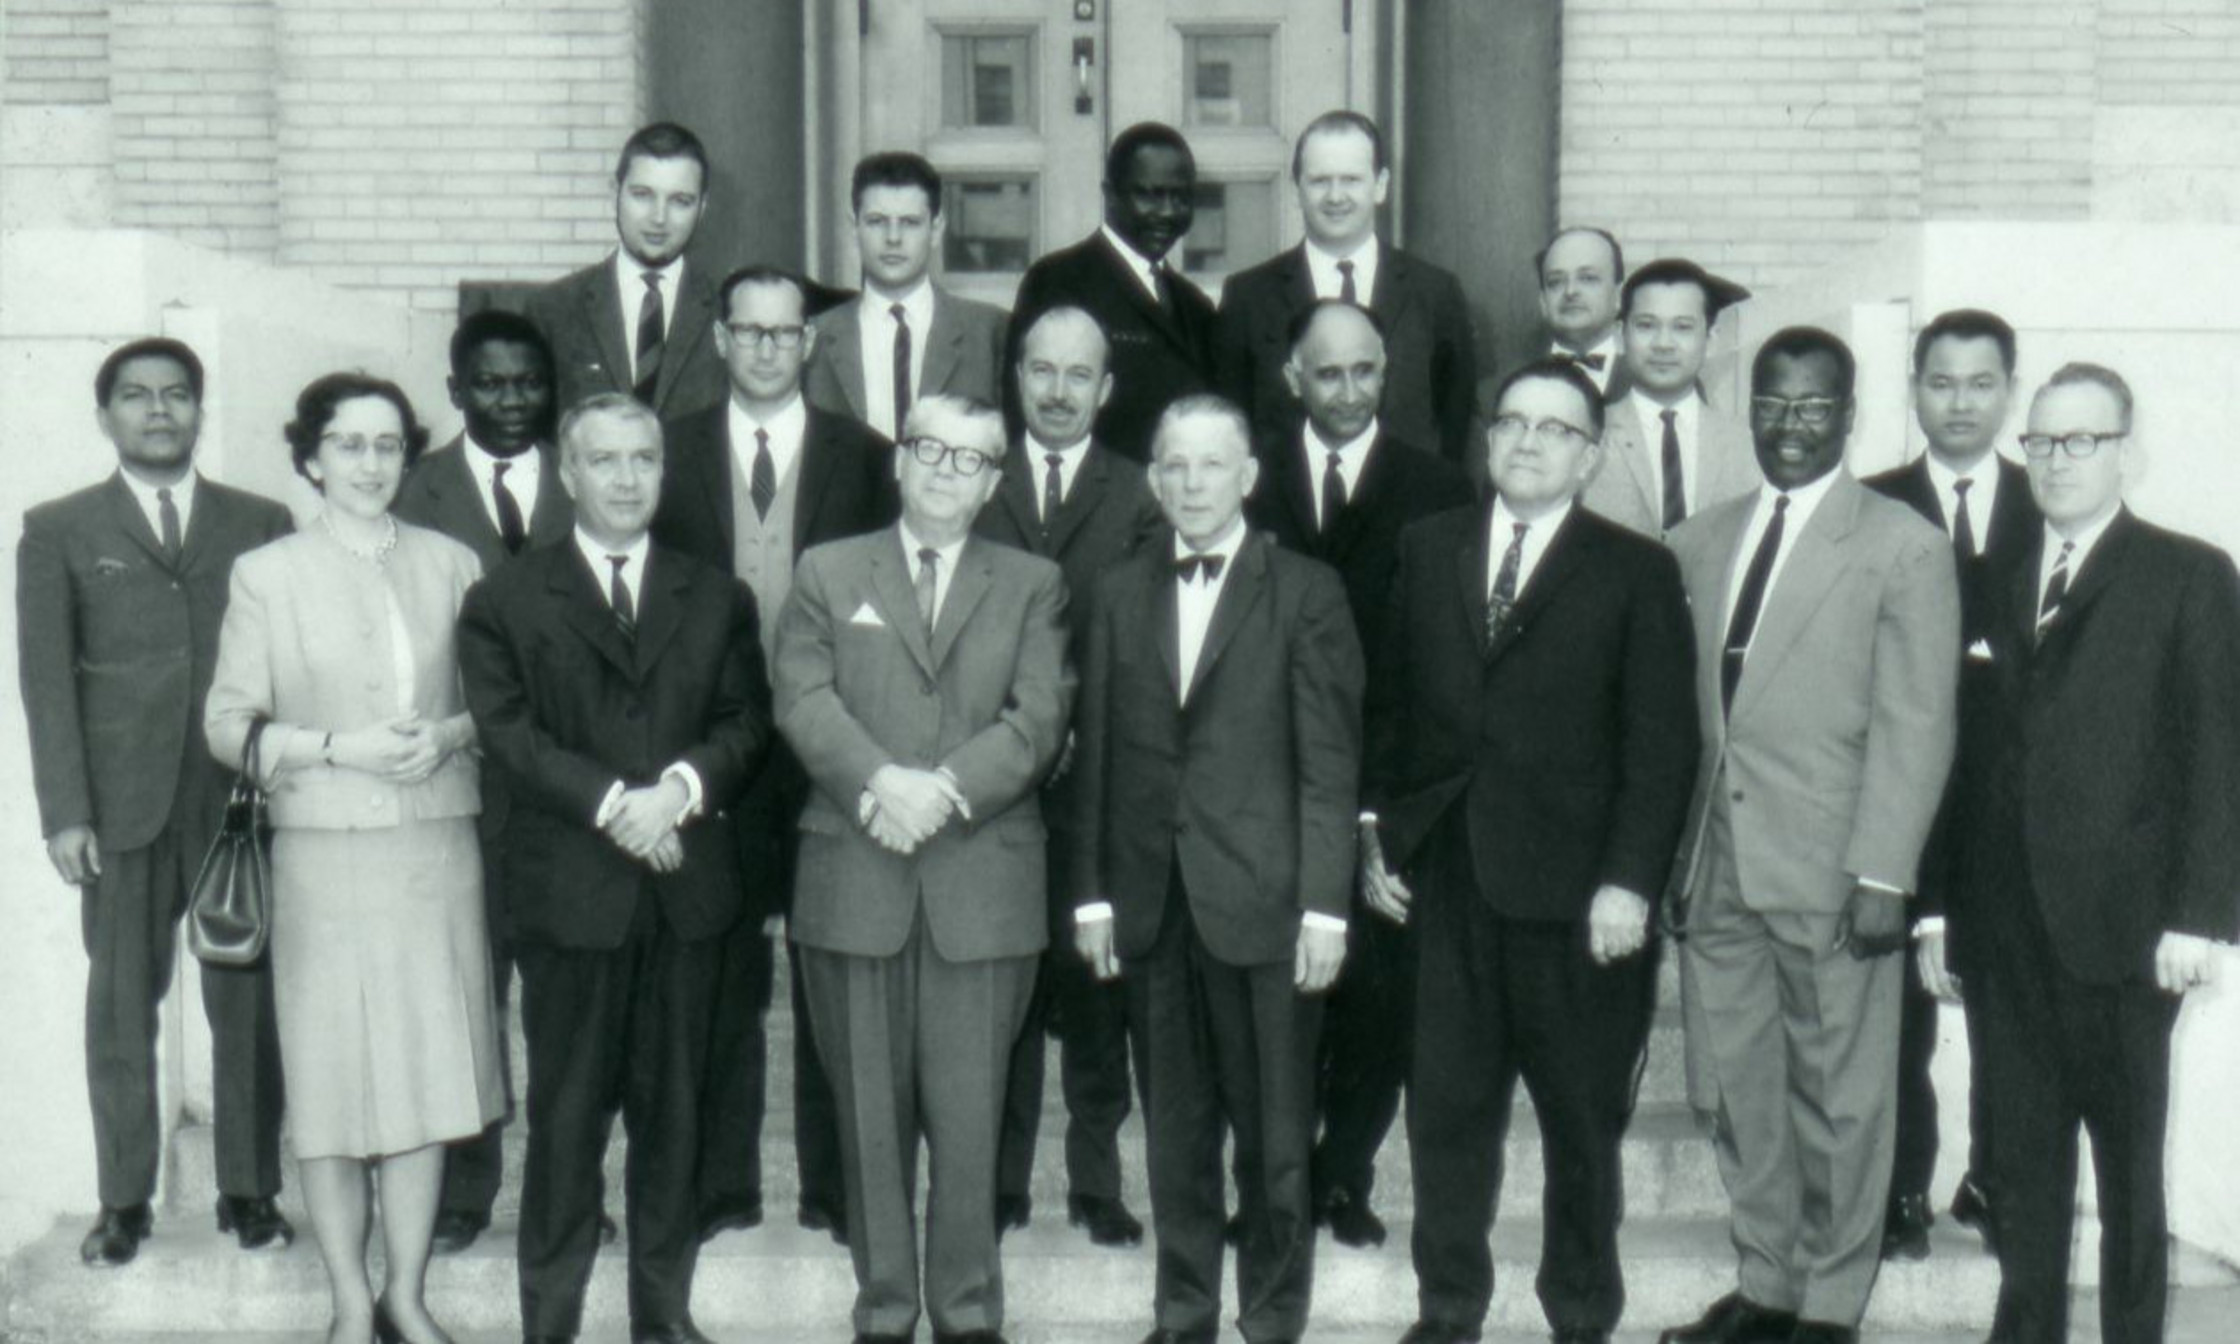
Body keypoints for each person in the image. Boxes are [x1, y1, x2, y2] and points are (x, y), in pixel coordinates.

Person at [1365, 358, 1698, 1344]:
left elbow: (1661, 744)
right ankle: (1446, 1312)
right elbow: (1388, 712)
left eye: (1555, 429)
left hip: (1579, 899)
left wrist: (1629, 882)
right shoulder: (1427, 547)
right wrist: (1376, 833)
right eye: (1511, 422)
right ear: (1486, 437)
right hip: (1446, 882)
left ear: (1590, 456)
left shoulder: (1637, 570)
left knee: (1581, 1127)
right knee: (1444, 1118)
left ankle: (1580, 1316)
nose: (1526, 442)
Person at [1658, 327, 1959, 1344]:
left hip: (1835, 870)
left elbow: (1917, 720)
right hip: (1717, 866)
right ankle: (1767, 1286)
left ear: (1850, 413)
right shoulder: (1697, 540)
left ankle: (1828, 1308)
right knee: (1740, 1091)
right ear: (1748, 411)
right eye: (1773, 404)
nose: (1791, 424)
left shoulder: (1902, 544)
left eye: (1814, 405)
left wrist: (1884, 872)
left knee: (1840, 1097)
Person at [457, 393, 771, 1344]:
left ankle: (660, 1318)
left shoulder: (715, 595)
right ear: (568, 472)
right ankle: (548, 1323)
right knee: (564, 1125)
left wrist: (676, 792)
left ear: (664, 471)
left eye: (644, 459)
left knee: (675, 1120)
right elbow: (511, 735)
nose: (627, 479)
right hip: (570, 902)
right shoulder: (506, 598)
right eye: (605, 460)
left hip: (686, 898)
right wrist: (616, 808)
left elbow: (745, 723)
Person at [204, 372, 501, 1344]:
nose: (369, 464)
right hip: (323, 861)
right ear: (310, 458)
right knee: (331, 1084)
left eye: (386, 445)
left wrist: (448, 735)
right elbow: (227, 725)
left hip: (433, 850)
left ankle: (404, 1297)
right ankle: (345, 1304)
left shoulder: (453, 563)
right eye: (347, 444)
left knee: (423, 1078)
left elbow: (498, 705)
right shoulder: (268, 574)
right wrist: (337, 749)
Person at [773, 393, 1072, 1344]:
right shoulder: (827, 571)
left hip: (981, 887)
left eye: (970, 458)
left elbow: (1039, 718)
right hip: (855, 878)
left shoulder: (1034, 583)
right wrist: (880, 783)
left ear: (993, 483)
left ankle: (969, 1314)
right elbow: (802, 697)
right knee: (868, 1122)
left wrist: (940, 790)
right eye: (930, 449)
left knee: (972, 1120)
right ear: (899, 460)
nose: (946, 470)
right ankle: (885, 1312)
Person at [1954, 363, 2240, 1344]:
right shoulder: (1988, 577)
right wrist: (1944, 916)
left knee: (2127, 1175)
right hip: (2007, 932)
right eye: (2039, 441)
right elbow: (1963, 759)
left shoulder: (2189, 574)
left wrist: (2200, 918)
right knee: (2023, 1168)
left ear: (2127, 451)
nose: (2056, 459)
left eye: (2082, 439)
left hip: (2126, 933)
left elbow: (2218, 752)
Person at [1073, 394, 1365, 1344]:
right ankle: (1183, 1313)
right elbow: (1097, 753)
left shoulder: (1307, 590)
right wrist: (1093, 896)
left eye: (1211, 464)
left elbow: (1330, 763)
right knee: (1176, 1135)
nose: (1192, 483)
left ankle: (1272, 1319)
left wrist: (1326, 908)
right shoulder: (1116, 590)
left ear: (1248, 477)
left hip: (1270, 906)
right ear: (1154, 480)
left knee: (1278, 1139)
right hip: (1154, 903)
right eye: (1174, 465)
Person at [17, 337, 293, 1268]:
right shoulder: (58, 527)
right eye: (136, 396)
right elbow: (46, 681)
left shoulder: (260, 520)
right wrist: (66, 811)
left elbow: (286, 662)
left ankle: (249, 1191)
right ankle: (123, 1201)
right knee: (120, 1005)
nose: (159, 409)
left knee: (246, 1006)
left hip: (234, 804)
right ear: (106, 416)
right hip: (119, 808)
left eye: (177, 393)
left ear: (199, 410)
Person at [654, 264, 899, 1246]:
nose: (765, 347)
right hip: (710, 748)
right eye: (747, 330)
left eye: (783, 332)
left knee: (834, 975)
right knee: (718, 972)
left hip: (831, 748)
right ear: (719, 338)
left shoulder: (866, 456)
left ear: (809, 342)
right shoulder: (667, 450)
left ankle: (836, 1190)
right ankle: (722, 1186)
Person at [1243, 299, 1471, 1248]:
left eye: (1364, 370)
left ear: (1387, 371)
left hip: (1387, 775)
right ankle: (1270, 1185)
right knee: (1273, 993)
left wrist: (1385, 807)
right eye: (1327, 372)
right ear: (1292, 377)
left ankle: (1344, 1176)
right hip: (1259, 776)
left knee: (1378, 995)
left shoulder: (1439, 487)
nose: (1347, 391)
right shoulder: (1244, 477)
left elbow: (1442, 655)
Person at [393, 308, 577, 1256]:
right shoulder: (411, 490)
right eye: (491, 383)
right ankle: (467, 1188)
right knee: (465, 996)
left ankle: (566, 1190)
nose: (512, 400)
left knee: (564, 1007)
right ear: (456, 390)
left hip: (569, 788)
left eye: (529, 382)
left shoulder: (589, 475)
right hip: (456, 785)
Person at [977, 306, 1163, 1248]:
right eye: (1041, 371)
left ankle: (1096, 1184)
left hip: (1098, 785)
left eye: (1078, 374)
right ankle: (1001, 1183)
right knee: (1006, 988)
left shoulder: (1142, 493)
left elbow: (1148, 635)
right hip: (994, 779)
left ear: (1107, 389)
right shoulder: (975, 476)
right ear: (1017, 378)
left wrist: (1092, 731)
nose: (1057, 392)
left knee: (1098, 990)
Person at [1858, 308, 2038, 1262]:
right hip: (1900, 792)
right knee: (1895, 1014)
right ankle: (1899, 1188)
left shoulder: (2048, 502)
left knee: (2012, 1007)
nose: (1960, 402)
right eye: (1940, 382)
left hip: (2014, 804)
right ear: (1912, 389)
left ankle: (1996, 1180)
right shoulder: (1867, 506)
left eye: (1980, 383)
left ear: (2010, 390)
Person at [1214, 111, 1478, 462]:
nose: (1335, 196)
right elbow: (1230, 427)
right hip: (1286, 496)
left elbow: (1457, 423)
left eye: (1351, 179)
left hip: (1410, 495)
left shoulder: (1435, 293)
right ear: (1297, 189)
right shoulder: (1248, 298)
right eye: (1320, 181)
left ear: (1380, 185)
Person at [1006, 122, 1217, 463]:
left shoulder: (1194, 304)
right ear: (1110, 195)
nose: (1167, 211)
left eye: (1181, 197)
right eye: (1149, 195)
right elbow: (1026, 412)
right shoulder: (1058, 280)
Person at [526, 122, 724, 419]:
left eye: (680, 201)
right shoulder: (552, 310)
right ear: (614, 193)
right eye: (642, 195)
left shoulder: (727, 312)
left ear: (702, 208)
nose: (659, 217)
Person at [806, 152, 1009, 438]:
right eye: (877, 221)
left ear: (936, 229)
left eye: (910, 222)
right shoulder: (814, 338)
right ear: (854, 228)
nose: (893, 238)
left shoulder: (990, 332)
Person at [1586, 259, 1759, 539]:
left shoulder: (1747, 444)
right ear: (1620, 335)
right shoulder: (1588, 434)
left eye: (1682, 327)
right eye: (1646, 325)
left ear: (1711, 339)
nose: (1663, 344)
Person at [1536, 228, 1626, 397]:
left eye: (1588, 278)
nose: (1570, 291)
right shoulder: (1505, 384)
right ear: (1543, 301)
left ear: (1618, 295)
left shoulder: (1653, 383)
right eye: (1556, 282)